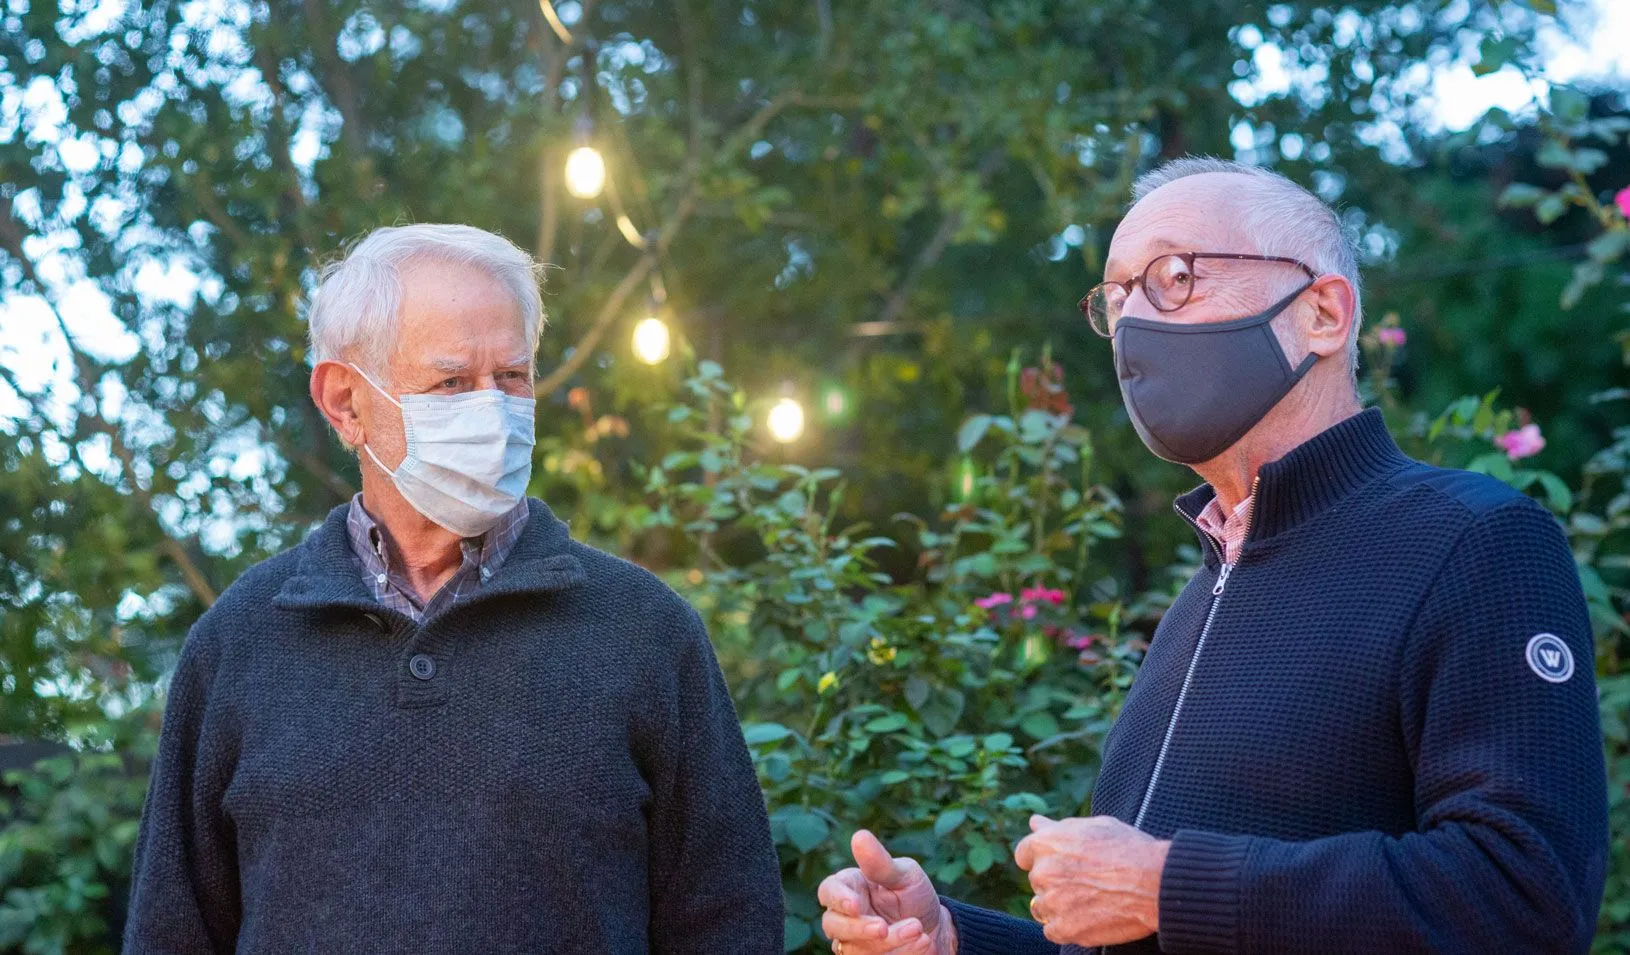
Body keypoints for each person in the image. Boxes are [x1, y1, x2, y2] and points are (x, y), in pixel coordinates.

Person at [816, 157, 1608, 955]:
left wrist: (1166, 882)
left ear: (1323, 313)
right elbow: (1147, 934)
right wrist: (950, 938)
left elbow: (1526, 897)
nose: (1133, 323)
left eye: (1174, 277)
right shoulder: (1197, 602)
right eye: (1116, 297)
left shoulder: (1476, 543)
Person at [122, 224, 783, 954]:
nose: (495, 412)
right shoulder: (238, 642)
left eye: (513, 376)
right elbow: (170, 935)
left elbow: (730, 924)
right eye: (452, 383)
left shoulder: (646, 630)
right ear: (345, 402)